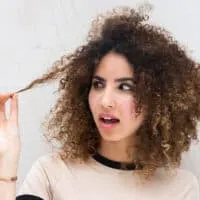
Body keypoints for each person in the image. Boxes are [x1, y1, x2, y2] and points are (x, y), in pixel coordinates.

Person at [0, 6, 199, 200]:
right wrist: (5, 165)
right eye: (98, 84)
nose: (105, 101)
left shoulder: (182, 188)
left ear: (157, 97)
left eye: (125, 87)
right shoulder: (52, 173)